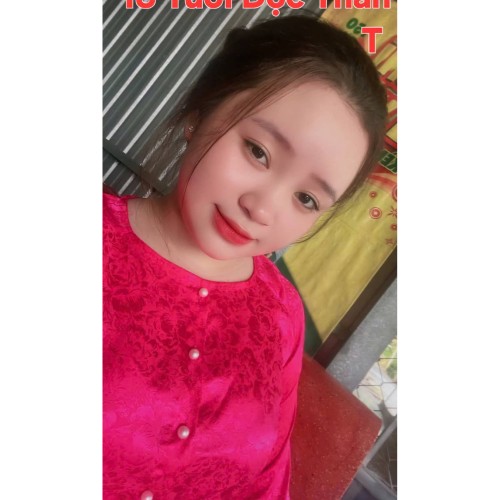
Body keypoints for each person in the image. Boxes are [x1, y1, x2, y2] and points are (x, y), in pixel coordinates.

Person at [103, 14, 387, 500]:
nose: (262, 209)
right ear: (202, 110)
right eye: (258, 151)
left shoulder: (281, 315)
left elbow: (268, 482)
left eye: (306, 199)